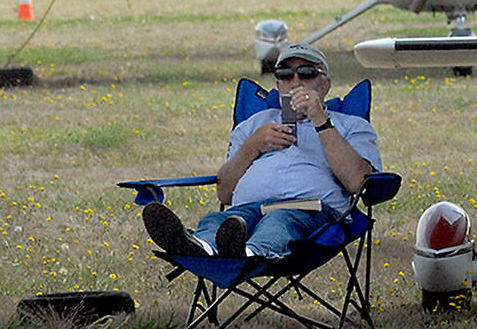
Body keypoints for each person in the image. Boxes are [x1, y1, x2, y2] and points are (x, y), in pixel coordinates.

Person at [142, 42, 381, 259]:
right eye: (285, 75)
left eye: (306, 73)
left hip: (311, 211)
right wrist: (252, 146)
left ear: (325, 84)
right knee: (220, 220)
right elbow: (225, 193)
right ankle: (201, 247)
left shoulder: (350, 126)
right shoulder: (254, 125)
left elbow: (359, 182)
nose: (295, 82)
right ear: (277, 85)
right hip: (246, 210)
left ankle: (248, 253)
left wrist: (320, 120)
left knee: (279, 220)